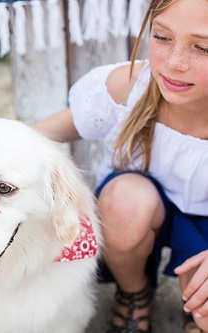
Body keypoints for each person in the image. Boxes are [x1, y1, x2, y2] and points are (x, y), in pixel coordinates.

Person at [33, 0, 208, 332]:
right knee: (123, 203)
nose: (174, 63)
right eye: (162, 37)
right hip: (141, 206)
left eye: (202, 48)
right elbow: (34, 136)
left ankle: (196, 311)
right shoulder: (130, 86)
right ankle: (133, 293)